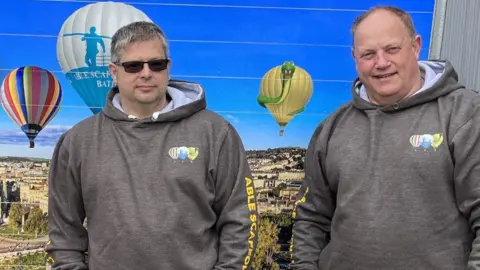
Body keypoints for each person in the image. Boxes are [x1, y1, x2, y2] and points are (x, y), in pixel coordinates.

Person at [46, 21, 259, 270]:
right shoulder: (78, 140)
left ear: (168, 68)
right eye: (133, 66)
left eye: (156, 64)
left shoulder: (215, 132)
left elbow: (240, 220)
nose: (146, 73)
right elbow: (63, 232)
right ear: (113, 72)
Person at [290, 5, 480, 270]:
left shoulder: (465, 114)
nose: (381, 63)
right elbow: (311, 219)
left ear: (415, 47)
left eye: (392, 49)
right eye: (368, 54)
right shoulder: (332, 128)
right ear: (355, 58)